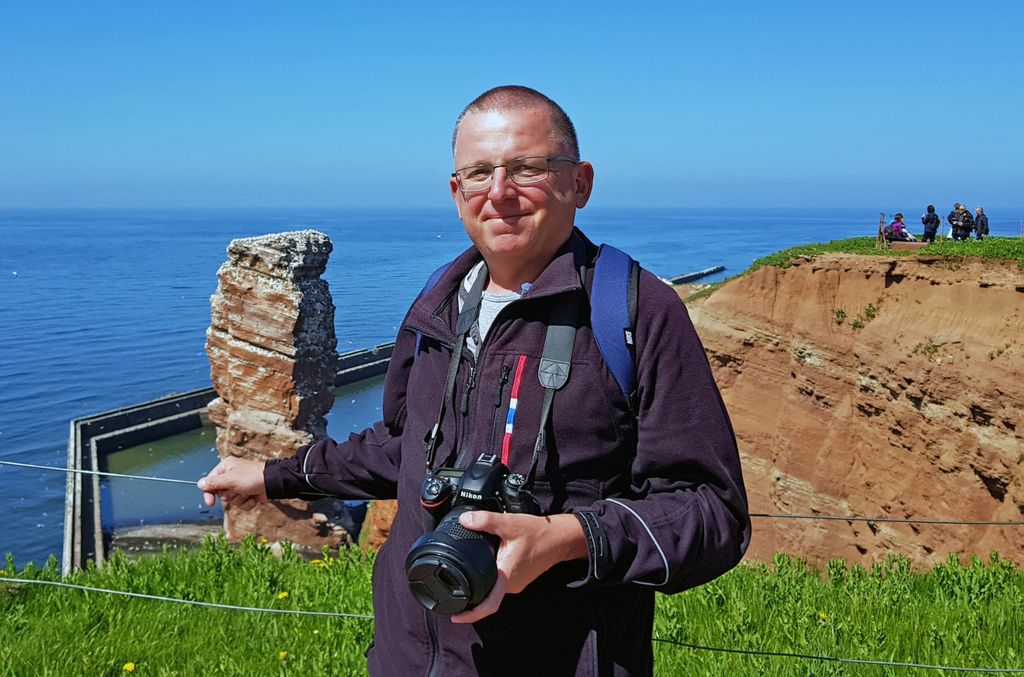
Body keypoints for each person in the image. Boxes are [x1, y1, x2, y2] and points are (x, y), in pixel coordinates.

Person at [197, 85, 750, 676]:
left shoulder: (636, 313)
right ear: (456, 192)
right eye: (479, 173)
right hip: (407, 657)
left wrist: (569, 538)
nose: (500, 192)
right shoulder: (437, 304)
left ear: (581, 182)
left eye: (528, 168)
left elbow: (713, 512)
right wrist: (272, 476)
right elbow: (404, 449)